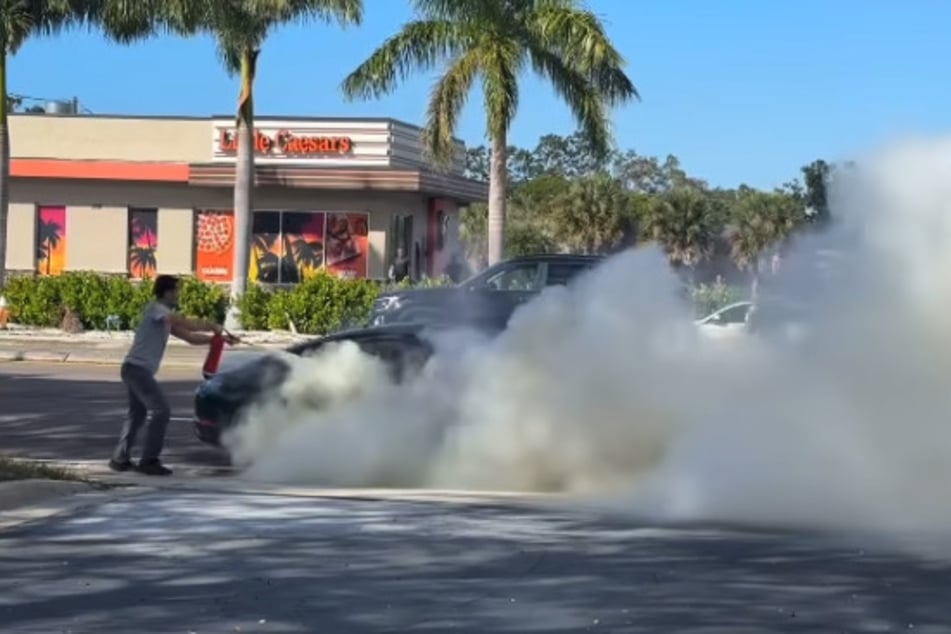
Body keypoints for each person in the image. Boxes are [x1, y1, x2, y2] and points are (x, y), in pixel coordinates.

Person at [109, 275, 237, 476]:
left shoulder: (165, 317)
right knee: (161, 411)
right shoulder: (157, 310)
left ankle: (120, 459)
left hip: (136, 369)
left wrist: (217, 340)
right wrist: (213, 326)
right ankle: (149, 461)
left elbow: (190, 336)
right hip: (137, 370)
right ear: (167, 292)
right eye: (176, 290)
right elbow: (185, 322)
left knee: (138, 415)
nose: (178, 294)